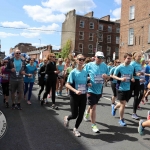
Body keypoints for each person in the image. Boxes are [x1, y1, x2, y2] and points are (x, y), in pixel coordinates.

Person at [64, 54, 91, 137]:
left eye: (83, 59)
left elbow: (85, 82)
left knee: (81, 114)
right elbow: (67, 84)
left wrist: (88, 84)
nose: (81, 61)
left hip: (83, 95)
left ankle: (75, 129)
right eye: (80, 59)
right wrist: (75, 91)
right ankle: (67, 118)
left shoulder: (85, 72)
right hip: (74, 95)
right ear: (76, 60)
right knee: (74, 115)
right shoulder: (73, 72)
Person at [84, 51, 109, 133]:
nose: (100, 59)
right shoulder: (89, 65)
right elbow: (83, 74)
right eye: (98, 57)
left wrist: (106, 77)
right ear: (95, 57)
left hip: (99, 89)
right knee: (94, 107)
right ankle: (93, 124)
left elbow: (108, 77)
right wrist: (87, 82)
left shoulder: (105, 66)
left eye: (101, 58)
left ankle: (87, 113)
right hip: (91, 89)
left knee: (92, 106)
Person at [113, 53, 134, 126]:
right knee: (123, 104)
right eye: (128, 58)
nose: (129, 60)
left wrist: (132, 79)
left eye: (130, 59)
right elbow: (113, 76)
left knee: (124, 103)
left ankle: (114, 107)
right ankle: (121, 119)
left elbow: (131, 76)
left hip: (128, 88)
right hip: (120, 87)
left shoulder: (131, 67)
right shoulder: (119, 67)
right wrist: (120, 78)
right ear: (124, 59)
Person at [130, 52, 142, 119]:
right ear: (135, 57)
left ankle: (134, 113)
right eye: (139, 56)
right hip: (132, 81)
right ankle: (116, 106)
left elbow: (138, 72)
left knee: (136, 96)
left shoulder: (139, 64)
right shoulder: (132, 63)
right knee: (127, 97)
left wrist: (141, 73)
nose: (140, 58)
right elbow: (130, 72)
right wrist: (135, 75)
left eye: (140, 56)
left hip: (137, 81)